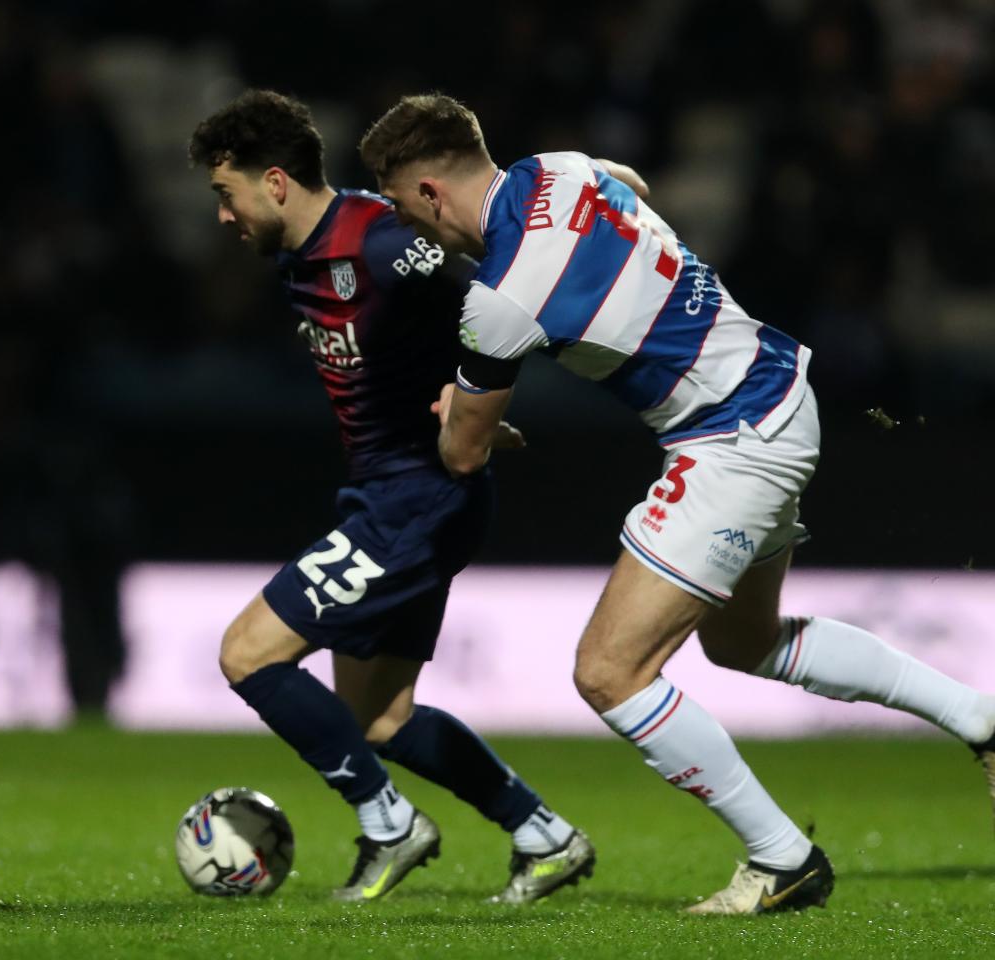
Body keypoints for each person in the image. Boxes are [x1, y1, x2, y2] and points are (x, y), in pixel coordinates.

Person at [357, 93, 995, 915]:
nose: (419, 232)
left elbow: (465, 452)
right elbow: (633, 188)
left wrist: (457, 412)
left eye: (410, 211)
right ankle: (977, 715)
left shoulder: (500, 298)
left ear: (429, 193)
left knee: (609, 671)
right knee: (746, 641)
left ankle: (782, 859)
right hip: (777, 389)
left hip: (732, 436)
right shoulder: (562, 169)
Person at [187, 90, 595, 904]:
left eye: (225, 194)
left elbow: (500, 301)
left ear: (275, 183)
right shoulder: (298, 256)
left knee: (247, 654)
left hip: (419, 497)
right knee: (378, 719)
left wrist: (474, 406)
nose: (223, 216)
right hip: (394, 495)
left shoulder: (381, 241)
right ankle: (545, 836)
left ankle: (388, 823)